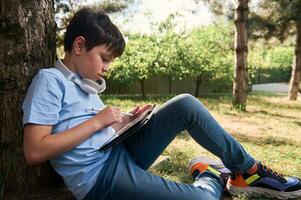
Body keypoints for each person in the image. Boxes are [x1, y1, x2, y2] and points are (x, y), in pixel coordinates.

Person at [21, 7, 301, 200]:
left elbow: (92, 133)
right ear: (79, 46)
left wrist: (125, 121)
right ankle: (211, 175)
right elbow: (34, 151)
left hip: (118, 153)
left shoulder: (84, 82)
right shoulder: (50, 81)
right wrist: (98, 121)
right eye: (104, 58)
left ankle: (249, 170)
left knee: (185, 104)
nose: (107, 68)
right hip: (100, 180)